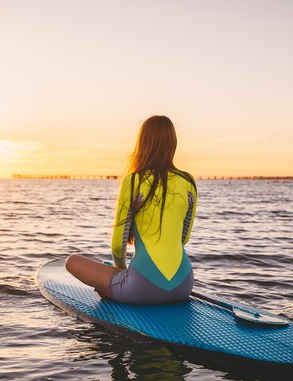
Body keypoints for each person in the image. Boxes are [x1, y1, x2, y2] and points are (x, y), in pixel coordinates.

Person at [66, 115, 197, 304]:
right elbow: (183, 238)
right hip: (184, 286)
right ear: (173, 144)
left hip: (142, 289)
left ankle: (114, 289)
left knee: (72, 261)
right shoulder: (188, 182)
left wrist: (121, 269)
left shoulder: (134, 181)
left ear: (142, 143)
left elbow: (118, 247)